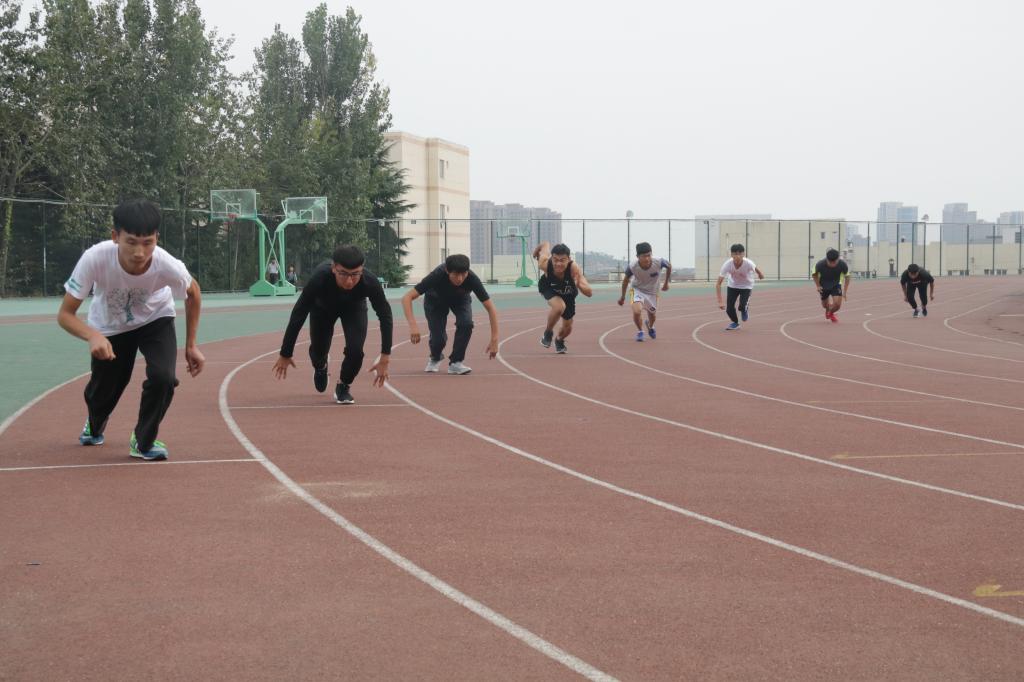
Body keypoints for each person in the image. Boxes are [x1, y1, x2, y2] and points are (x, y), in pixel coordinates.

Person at [58, 199, 205, 461]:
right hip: (110, 325)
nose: (139, 252)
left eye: (148, 242)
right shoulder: (95, 258)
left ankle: (143, 440)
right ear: (115, 237)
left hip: (155, 319)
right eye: (131, 242)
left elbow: (193, 292)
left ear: (157, 238)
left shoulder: (166, 264)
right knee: (103, 393)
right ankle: (95, 422)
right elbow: (65, 315)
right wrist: (93, 335)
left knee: (163, 378)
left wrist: (191, 344)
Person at [271, 245, 391, 404]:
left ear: (362, 269)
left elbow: (385, 315)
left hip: (354, 309)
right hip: (322, 309)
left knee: (356, 351)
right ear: (334, 268)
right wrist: (286, 353)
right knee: (319, 350)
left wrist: (385, 356)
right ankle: (321, 366)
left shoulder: (370, 282)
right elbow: (299, 313)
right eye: (343, 274)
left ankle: (344, 386)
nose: (349, 281)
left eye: (355, 274)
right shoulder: (319, 278)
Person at [401, 254, 499, 374]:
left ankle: (456, 363)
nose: (460, 279)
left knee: (466, 323)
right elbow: (407, 298)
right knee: (438, 340)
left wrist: (494, 339)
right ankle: (435, 357)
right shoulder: (437, 275)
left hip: (460, 299)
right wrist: (413, 326)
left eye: (463, 274)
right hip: (435, 300)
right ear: (447, 271)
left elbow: (491, 308)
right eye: (456, 274)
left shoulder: (472, 279)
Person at [533, 241, 593, 353]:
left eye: (562, 260)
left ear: (569, 259)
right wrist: (536, 252)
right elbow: (545, 244)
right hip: (549, 288)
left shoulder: (574, 269)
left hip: (568, 294)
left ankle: (559, 340)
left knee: (568, 328)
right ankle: (548, 332)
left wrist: (579, 284)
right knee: (559, 307)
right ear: (551, 258)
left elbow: (589, 293)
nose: (558, 264)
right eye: (555, 260)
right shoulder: (544, 264)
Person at [618, 242, 671, 340]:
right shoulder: (632, 266)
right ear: (638, 256)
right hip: (637, 289)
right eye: (643, 256)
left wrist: (666, 283)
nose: (647, 258)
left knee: (652, 315)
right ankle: (640, 331)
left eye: (649, 255)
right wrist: (622, 297)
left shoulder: (659, 262)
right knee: (637, 311)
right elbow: (625, 281)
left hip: (653, 292)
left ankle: (650, 326)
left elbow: (669, 266)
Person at [715, 243, 764, 330]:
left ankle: (744, 309)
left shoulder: (748, 263)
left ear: (743, 254)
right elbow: (718, 283)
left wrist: (760, 274)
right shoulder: (727, 265)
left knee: (742, 306)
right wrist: (720, 301)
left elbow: (756, 269)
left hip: (746, 286)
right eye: (735, 254)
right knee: (729, 309)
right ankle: (735, 323)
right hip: (733, 285)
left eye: (740, 254)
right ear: (731, 255)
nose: (737, 256)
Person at [813, 248, 851, 323]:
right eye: (830, 262)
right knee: (824, 305)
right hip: (823, 285)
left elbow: (847, 277)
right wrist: (818, 286)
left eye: (834, 262)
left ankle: (830, 313)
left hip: (836, 284)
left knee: (837, 305)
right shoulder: (820, 264)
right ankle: (828, 309)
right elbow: (814, 275)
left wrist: (845, 292)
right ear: (827, 259)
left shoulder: (842, 265)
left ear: (838, 259)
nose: (832, 264)